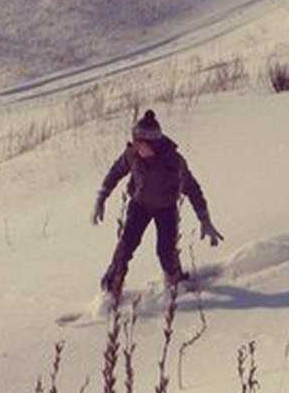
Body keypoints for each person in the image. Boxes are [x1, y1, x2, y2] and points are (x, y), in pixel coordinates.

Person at [92, 109, 223, 296]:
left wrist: (204, 219)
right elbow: (115, 172)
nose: (137, 148)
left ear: (152, 143)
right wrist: (102, 197)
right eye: (136, 143)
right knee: (126, 246)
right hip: (139, 206)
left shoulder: (173, 161)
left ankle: (176, 283)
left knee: (165, 251)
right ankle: (112, 288)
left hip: (166, 209)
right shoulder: (133, 154)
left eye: (141, 144)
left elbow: (193, 188)